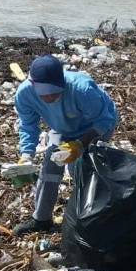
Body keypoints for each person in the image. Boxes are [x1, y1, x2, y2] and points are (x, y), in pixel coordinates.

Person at [12, 55, 118, 235]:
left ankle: (88, 217)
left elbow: (105, 120)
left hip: (95, 127)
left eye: (55, 92)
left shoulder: (82, 89)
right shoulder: (25, 94)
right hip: (62, 129)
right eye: (44, 93)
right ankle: (41, 219)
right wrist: (26, 156)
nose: (50, 97)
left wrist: (79, 144)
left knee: (84, 168)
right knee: (51, 165)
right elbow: (28, 125)